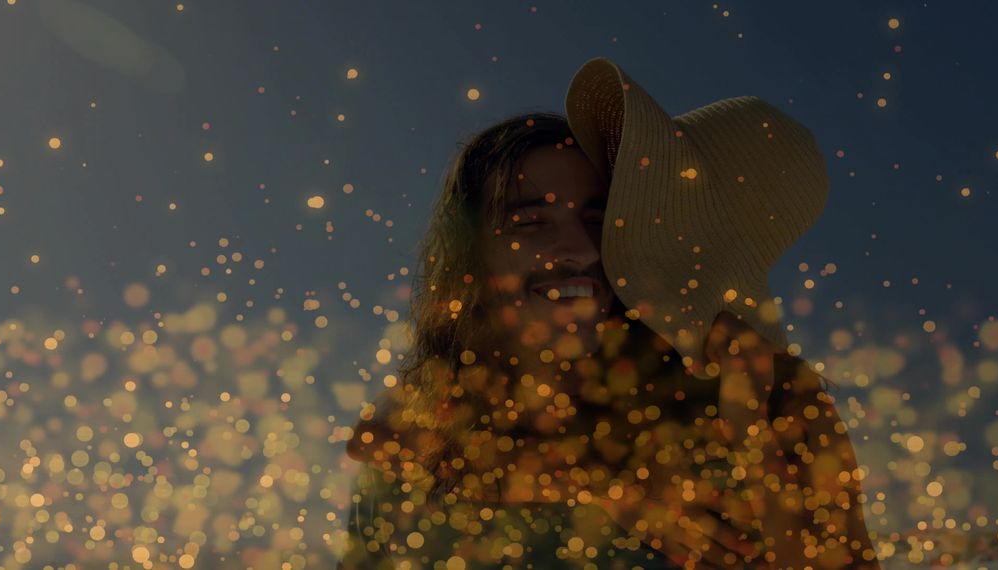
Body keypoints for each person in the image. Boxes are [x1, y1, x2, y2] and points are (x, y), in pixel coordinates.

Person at [336, 58, 879, 569]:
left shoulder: (773, 393)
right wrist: (606, 487)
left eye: (601, 219)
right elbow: (378, 439)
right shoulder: (447, 404)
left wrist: (751, 432)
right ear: (471, 255)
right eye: (529, 223)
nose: (577, 248)